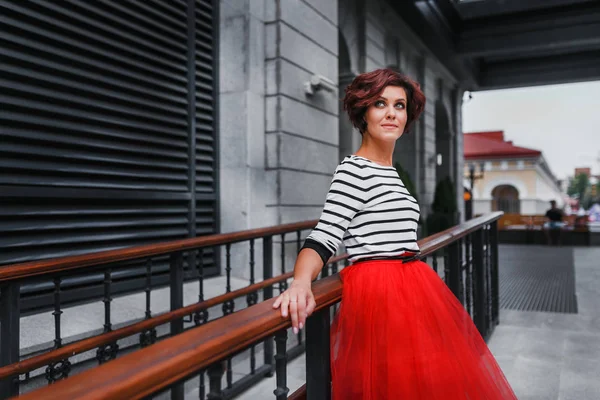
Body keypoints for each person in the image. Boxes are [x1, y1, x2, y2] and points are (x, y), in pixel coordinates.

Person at [272, 68, 516, 399]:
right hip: (378, 293)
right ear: (363, 113)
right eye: (380, 103)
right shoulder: (353, 170)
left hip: (412, 286)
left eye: (399, 105)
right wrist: (301, 283)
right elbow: (325, 235)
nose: (391, 113)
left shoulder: (392, 173)